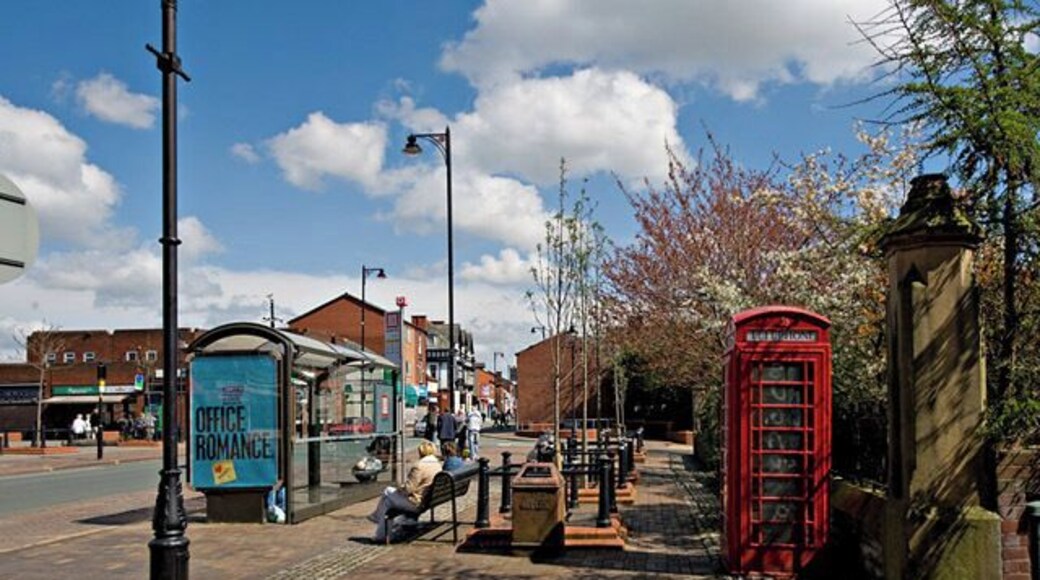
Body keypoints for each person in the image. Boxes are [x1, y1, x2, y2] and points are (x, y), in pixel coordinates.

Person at [367, 440, 441, 542]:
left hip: (416, 503)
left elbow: (408, 489)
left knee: (387, 491)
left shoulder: (419, 466)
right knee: (388, 502)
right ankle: (380, 534)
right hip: (427, 500)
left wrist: (400, 488)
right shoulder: (436, 463)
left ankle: (377, 519)